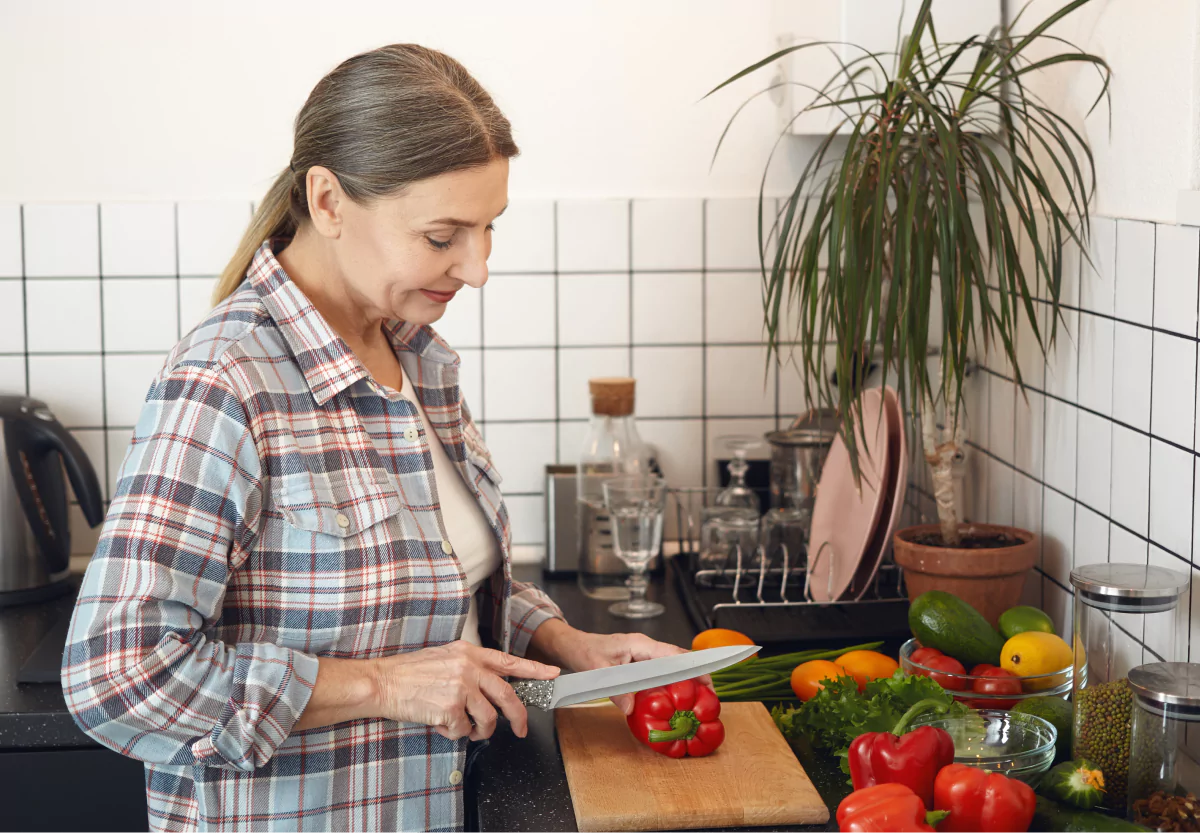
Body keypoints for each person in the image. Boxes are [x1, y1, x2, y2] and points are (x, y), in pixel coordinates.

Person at [61, 43, 693, 833]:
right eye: (442, 236)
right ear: (328, 201)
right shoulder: (228, 381)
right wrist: (384, 686)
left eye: (489, 227)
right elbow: (114, 678)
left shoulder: (419, 360)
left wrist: (564, 644)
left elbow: (439, 587)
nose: (477, 267)